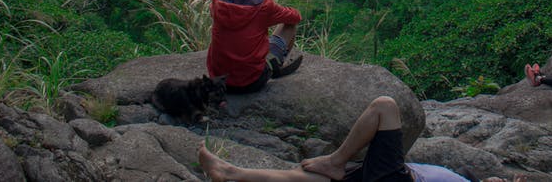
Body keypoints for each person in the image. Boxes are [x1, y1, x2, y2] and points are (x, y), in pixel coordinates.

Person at [197, 96, 519, 182]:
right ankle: (229, 173)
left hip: (397, 179)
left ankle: (337, 160)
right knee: (304, 177)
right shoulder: (463, 176)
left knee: (384, 106)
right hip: (386, 176)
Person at [207, 0, 303, 94]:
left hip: (219, 81)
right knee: (290, 25)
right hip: (251, 82)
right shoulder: (263, 7)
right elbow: (296, 17)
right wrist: (277, 11)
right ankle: (275, 65)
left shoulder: (218, 1)